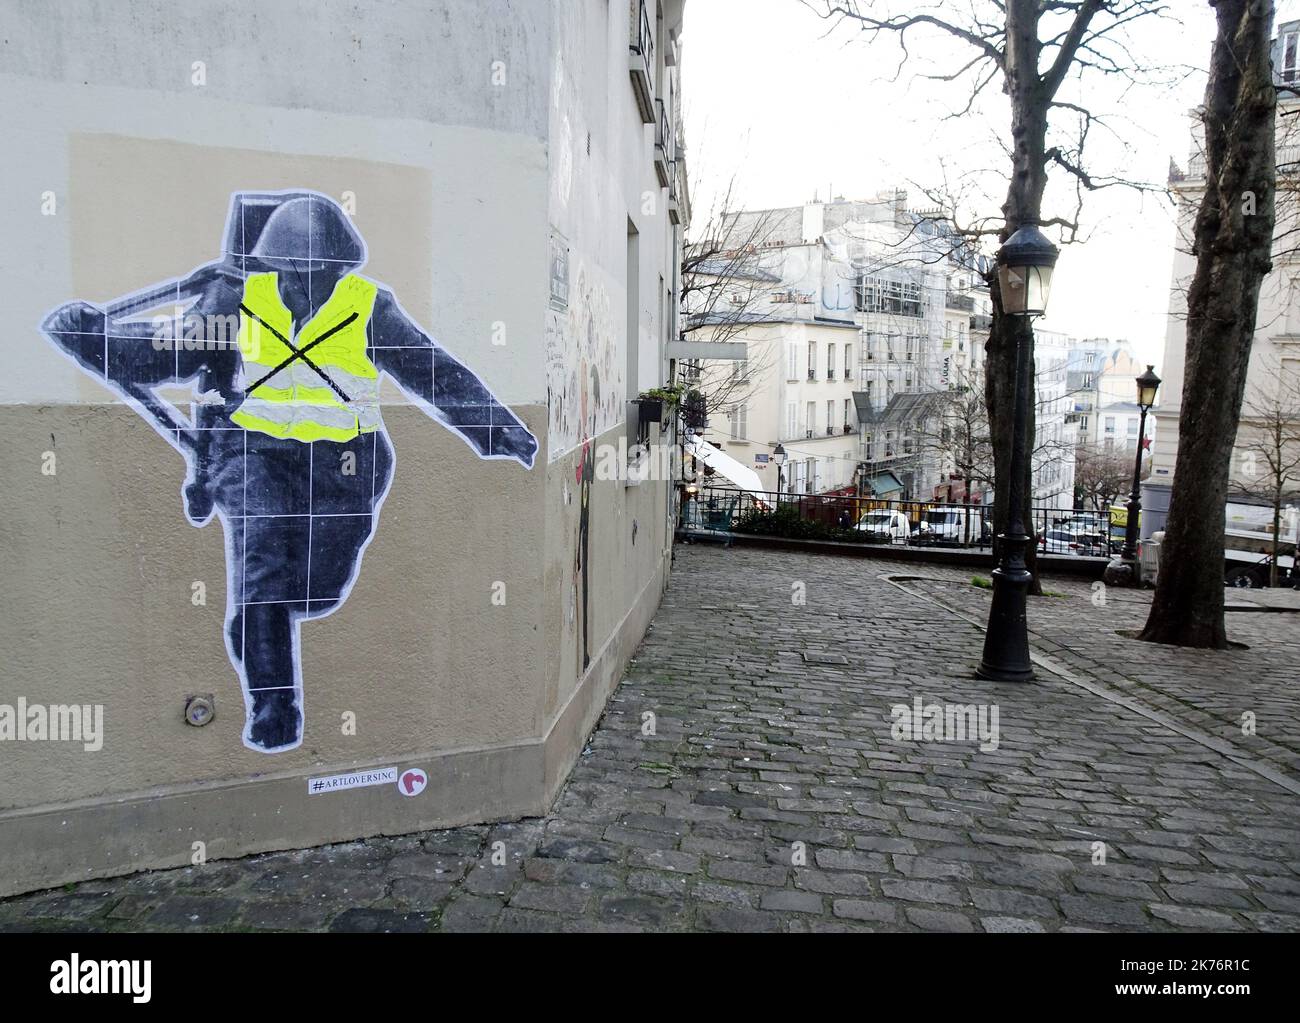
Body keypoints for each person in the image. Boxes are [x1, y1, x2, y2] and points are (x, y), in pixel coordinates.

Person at [42, 192, 537, 752]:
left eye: (322, 271)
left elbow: (432, 371)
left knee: (319, 590)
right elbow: (170, 353)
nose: (309, 282)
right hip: (253, 454)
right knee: (263, 575)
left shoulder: (368, 305)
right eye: (297, 271)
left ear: (341, 267)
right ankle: (274, 704)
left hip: (344, 461)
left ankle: (276, 615)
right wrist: (95, 337)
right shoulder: (235, 298)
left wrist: (498, 429)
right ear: (273, 265)